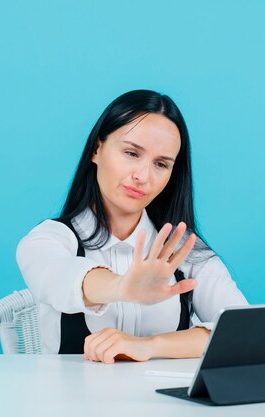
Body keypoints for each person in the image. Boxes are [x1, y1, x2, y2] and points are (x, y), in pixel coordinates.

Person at [16, 89, 247, 363]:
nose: (142, 176)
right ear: (96, 149)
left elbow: (243, 331)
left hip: (165, 406)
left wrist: (149, 345)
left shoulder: (186, 251)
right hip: (70, 404)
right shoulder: (49, 239)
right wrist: (122, 287)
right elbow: (60, 277)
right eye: (131, 153)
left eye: (161, 164)